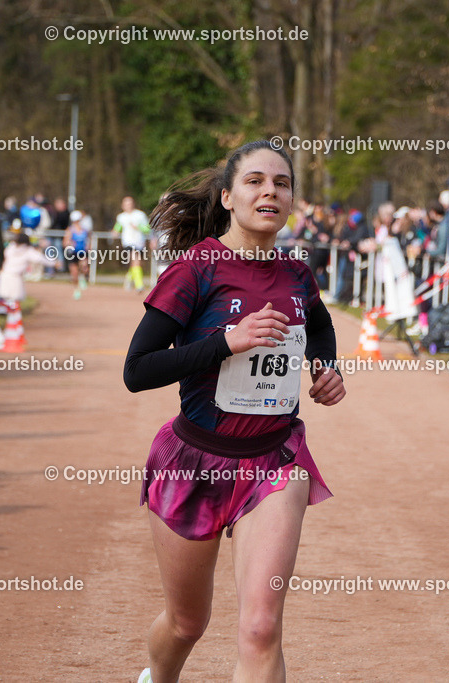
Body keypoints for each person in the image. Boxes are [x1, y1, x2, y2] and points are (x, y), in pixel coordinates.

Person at [124, 139, 344, 683]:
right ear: (227, 197)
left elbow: (319, 324)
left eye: (282, 183)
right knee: (186, 623)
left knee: (261, 628)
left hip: (274, 463)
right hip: (193, 462)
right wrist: (227, 341)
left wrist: (325, 367)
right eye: (255, 181)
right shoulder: (195, 270)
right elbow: (137, 370)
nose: (270, 190)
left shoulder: (297, 274)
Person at [112, 196, 151, 291]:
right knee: (135, 260)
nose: (128, 206)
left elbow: (147, 229)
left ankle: (129, 278)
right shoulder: (121, 217)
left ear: (133, 204)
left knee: (137, 263)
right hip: (128, 242)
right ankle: (139, 285)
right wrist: (114, 232)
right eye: (126, 204)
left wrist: (138, 227)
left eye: (129, 203)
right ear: (122, 205)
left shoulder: (140, 215)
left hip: (139, 242)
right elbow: (118, 227)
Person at [64, 210, 90, 299]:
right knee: (74, 274)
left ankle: (82, 277)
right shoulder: (70, 230)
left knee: (84, 267)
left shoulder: (84, 230)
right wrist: (70, 244)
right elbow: (65, 242)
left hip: (82, 252)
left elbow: (88, 241)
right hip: (72, 253)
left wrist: (88, 247)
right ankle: (76, 290)